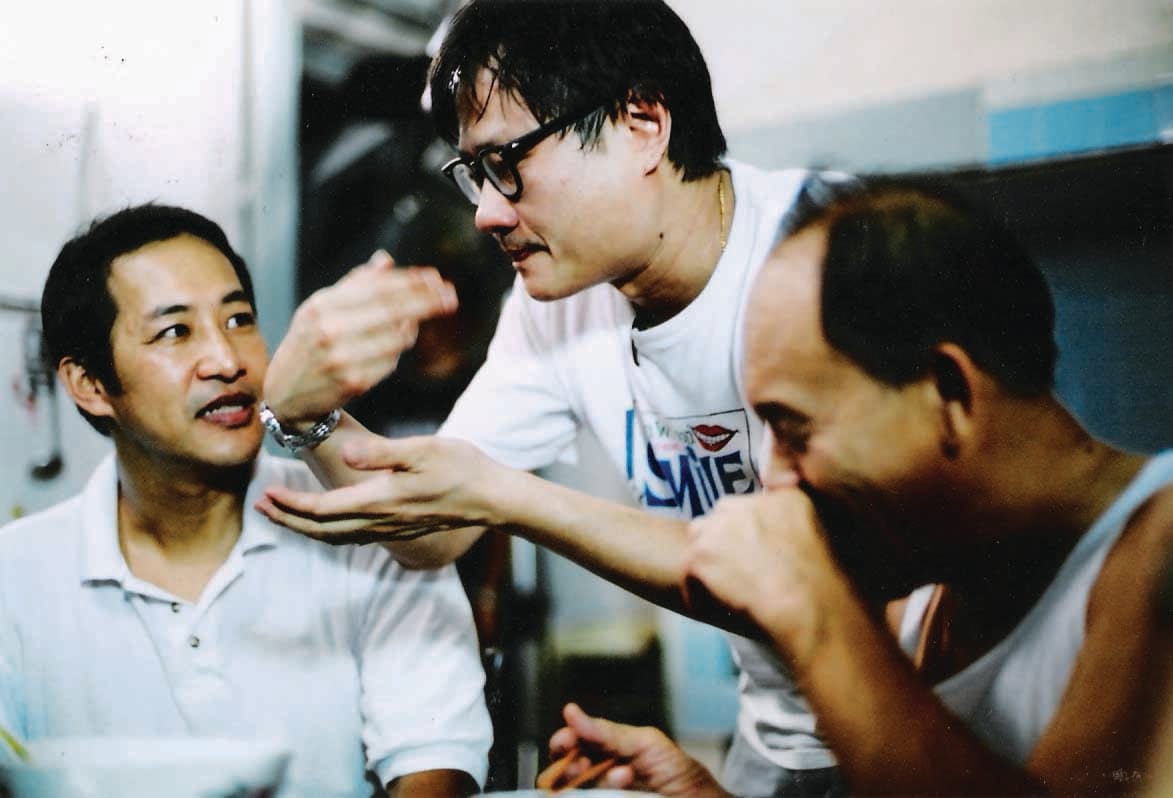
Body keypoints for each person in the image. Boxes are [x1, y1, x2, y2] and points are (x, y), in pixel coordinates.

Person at [254, 1, 844, 794]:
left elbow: (795, 581)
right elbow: (430, 529)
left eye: (510, 161)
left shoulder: (824, 250)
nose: (487, 212)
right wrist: (302, 413)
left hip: (944, 725)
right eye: (473, 173)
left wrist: (507, 498)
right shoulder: (554, 307)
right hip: (780, 741)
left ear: (642, 122)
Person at [537, 176, 1173, 796]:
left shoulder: (1157, 546)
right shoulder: (927, 584)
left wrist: (815, 608)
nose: (774, 477)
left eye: (795, 430)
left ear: (948, 393)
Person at [0, 205, 492, 797]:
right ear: (90, 385)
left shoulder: (372, 531)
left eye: (239, 320)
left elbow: (435, 771)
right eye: (175, 332)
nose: (229, 361)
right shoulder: (18, 578)